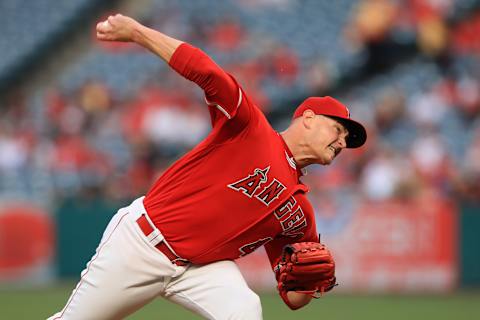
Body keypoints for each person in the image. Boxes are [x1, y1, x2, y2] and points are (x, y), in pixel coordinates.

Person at [49, 14, 367, 320]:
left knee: (244, 310)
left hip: (201, 269)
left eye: (346, 141)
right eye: (338, 130)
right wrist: (137, 32)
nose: (341, 143)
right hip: (143, 244)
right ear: (308, 119)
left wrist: (311, 283)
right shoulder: (250, 129)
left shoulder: (299, 211)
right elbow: (207, 72)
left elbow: (294, 298)